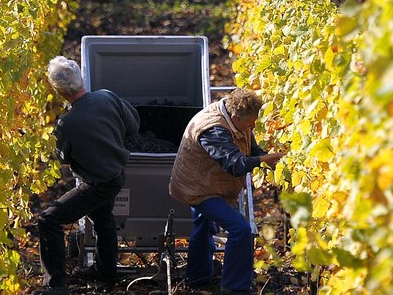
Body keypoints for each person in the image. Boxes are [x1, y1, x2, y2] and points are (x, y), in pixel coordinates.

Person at [33, 56, 140, 295]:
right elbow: (133, 127)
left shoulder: (66, 124)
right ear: (80, 78)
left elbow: (64, 159)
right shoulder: (107, 96)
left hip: (95, 184)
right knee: (103, 220)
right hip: (116, 175)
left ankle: (56, 285)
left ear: (58, 90)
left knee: (48, 220)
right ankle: (106, 273)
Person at [168, 88, 284, 294]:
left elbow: (252, 149)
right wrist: (265, 159)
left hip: (207, 181)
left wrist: (270, 160)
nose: (253, 126)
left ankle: (198, 277)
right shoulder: (214, 130)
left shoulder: (237, 119)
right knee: (240, 229)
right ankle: (235, 287)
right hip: (197, 188)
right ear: (234, 117)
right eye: (250, 122)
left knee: (203, 225)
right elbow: (234, 164)